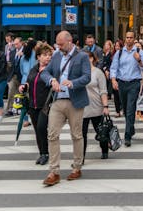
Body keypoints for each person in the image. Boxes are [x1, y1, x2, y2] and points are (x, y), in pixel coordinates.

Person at [41, 31, 91, 186]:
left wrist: (73, 83)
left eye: (61, 44)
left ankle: (77, 167)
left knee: (76, 135)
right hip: (57, 101)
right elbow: (45, 72)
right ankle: (54, 171)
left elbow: (87, 76)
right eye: (57, 44)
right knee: (52, 134)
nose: (58, 46)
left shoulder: (82, 56)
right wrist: (52, 80)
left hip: (75, 101)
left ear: (70, 42)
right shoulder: (56, 56)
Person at [109, 31, 143, 147]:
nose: (129, 39)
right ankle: (131, 128)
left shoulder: (139, 52)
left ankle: (127, 136)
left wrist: (139, 60)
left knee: (131, 108)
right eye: (127, 37)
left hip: (134, 83)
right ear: (125, 39)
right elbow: (114, 67)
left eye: (131, 37)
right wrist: (113, 80)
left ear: (134, 39)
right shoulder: (119, 53)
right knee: (125, 109)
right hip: (122, 83)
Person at [20, 42, 53, 165]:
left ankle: (46, 153)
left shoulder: (51, 70)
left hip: (45, 105)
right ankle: (42, 153)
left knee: (41, 128)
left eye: (49, 55)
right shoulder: (34, 69)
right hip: (32, 104)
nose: (48, 57)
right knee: (37, 130)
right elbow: (29, 82)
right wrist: (24, 87)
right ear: (38, 57)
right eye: (45, 55)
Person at [81, 51, 110, 160]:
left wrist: (105, 106)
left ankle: (104, 151)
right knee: (81, 135)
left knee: (101, 132)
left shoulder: (98, 72)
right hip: (82, 107)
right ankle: (81, 157)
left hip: (96, 107)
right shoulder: (79, 73)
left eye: (87, 58)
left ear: (92, 59)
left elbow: (103, 91)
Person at [5, 37, 24, 117]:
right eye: (14, 44)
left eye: (17, 44)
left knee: (21, 92)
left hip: (22, 74)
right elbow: (10, 64)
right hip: (13, 75)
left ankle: (21, 108)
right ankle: (9, 108)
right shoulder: (12, 52)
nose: (15, 46)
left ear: (21, 43)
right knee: (11, 91)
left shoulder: (26, 51)